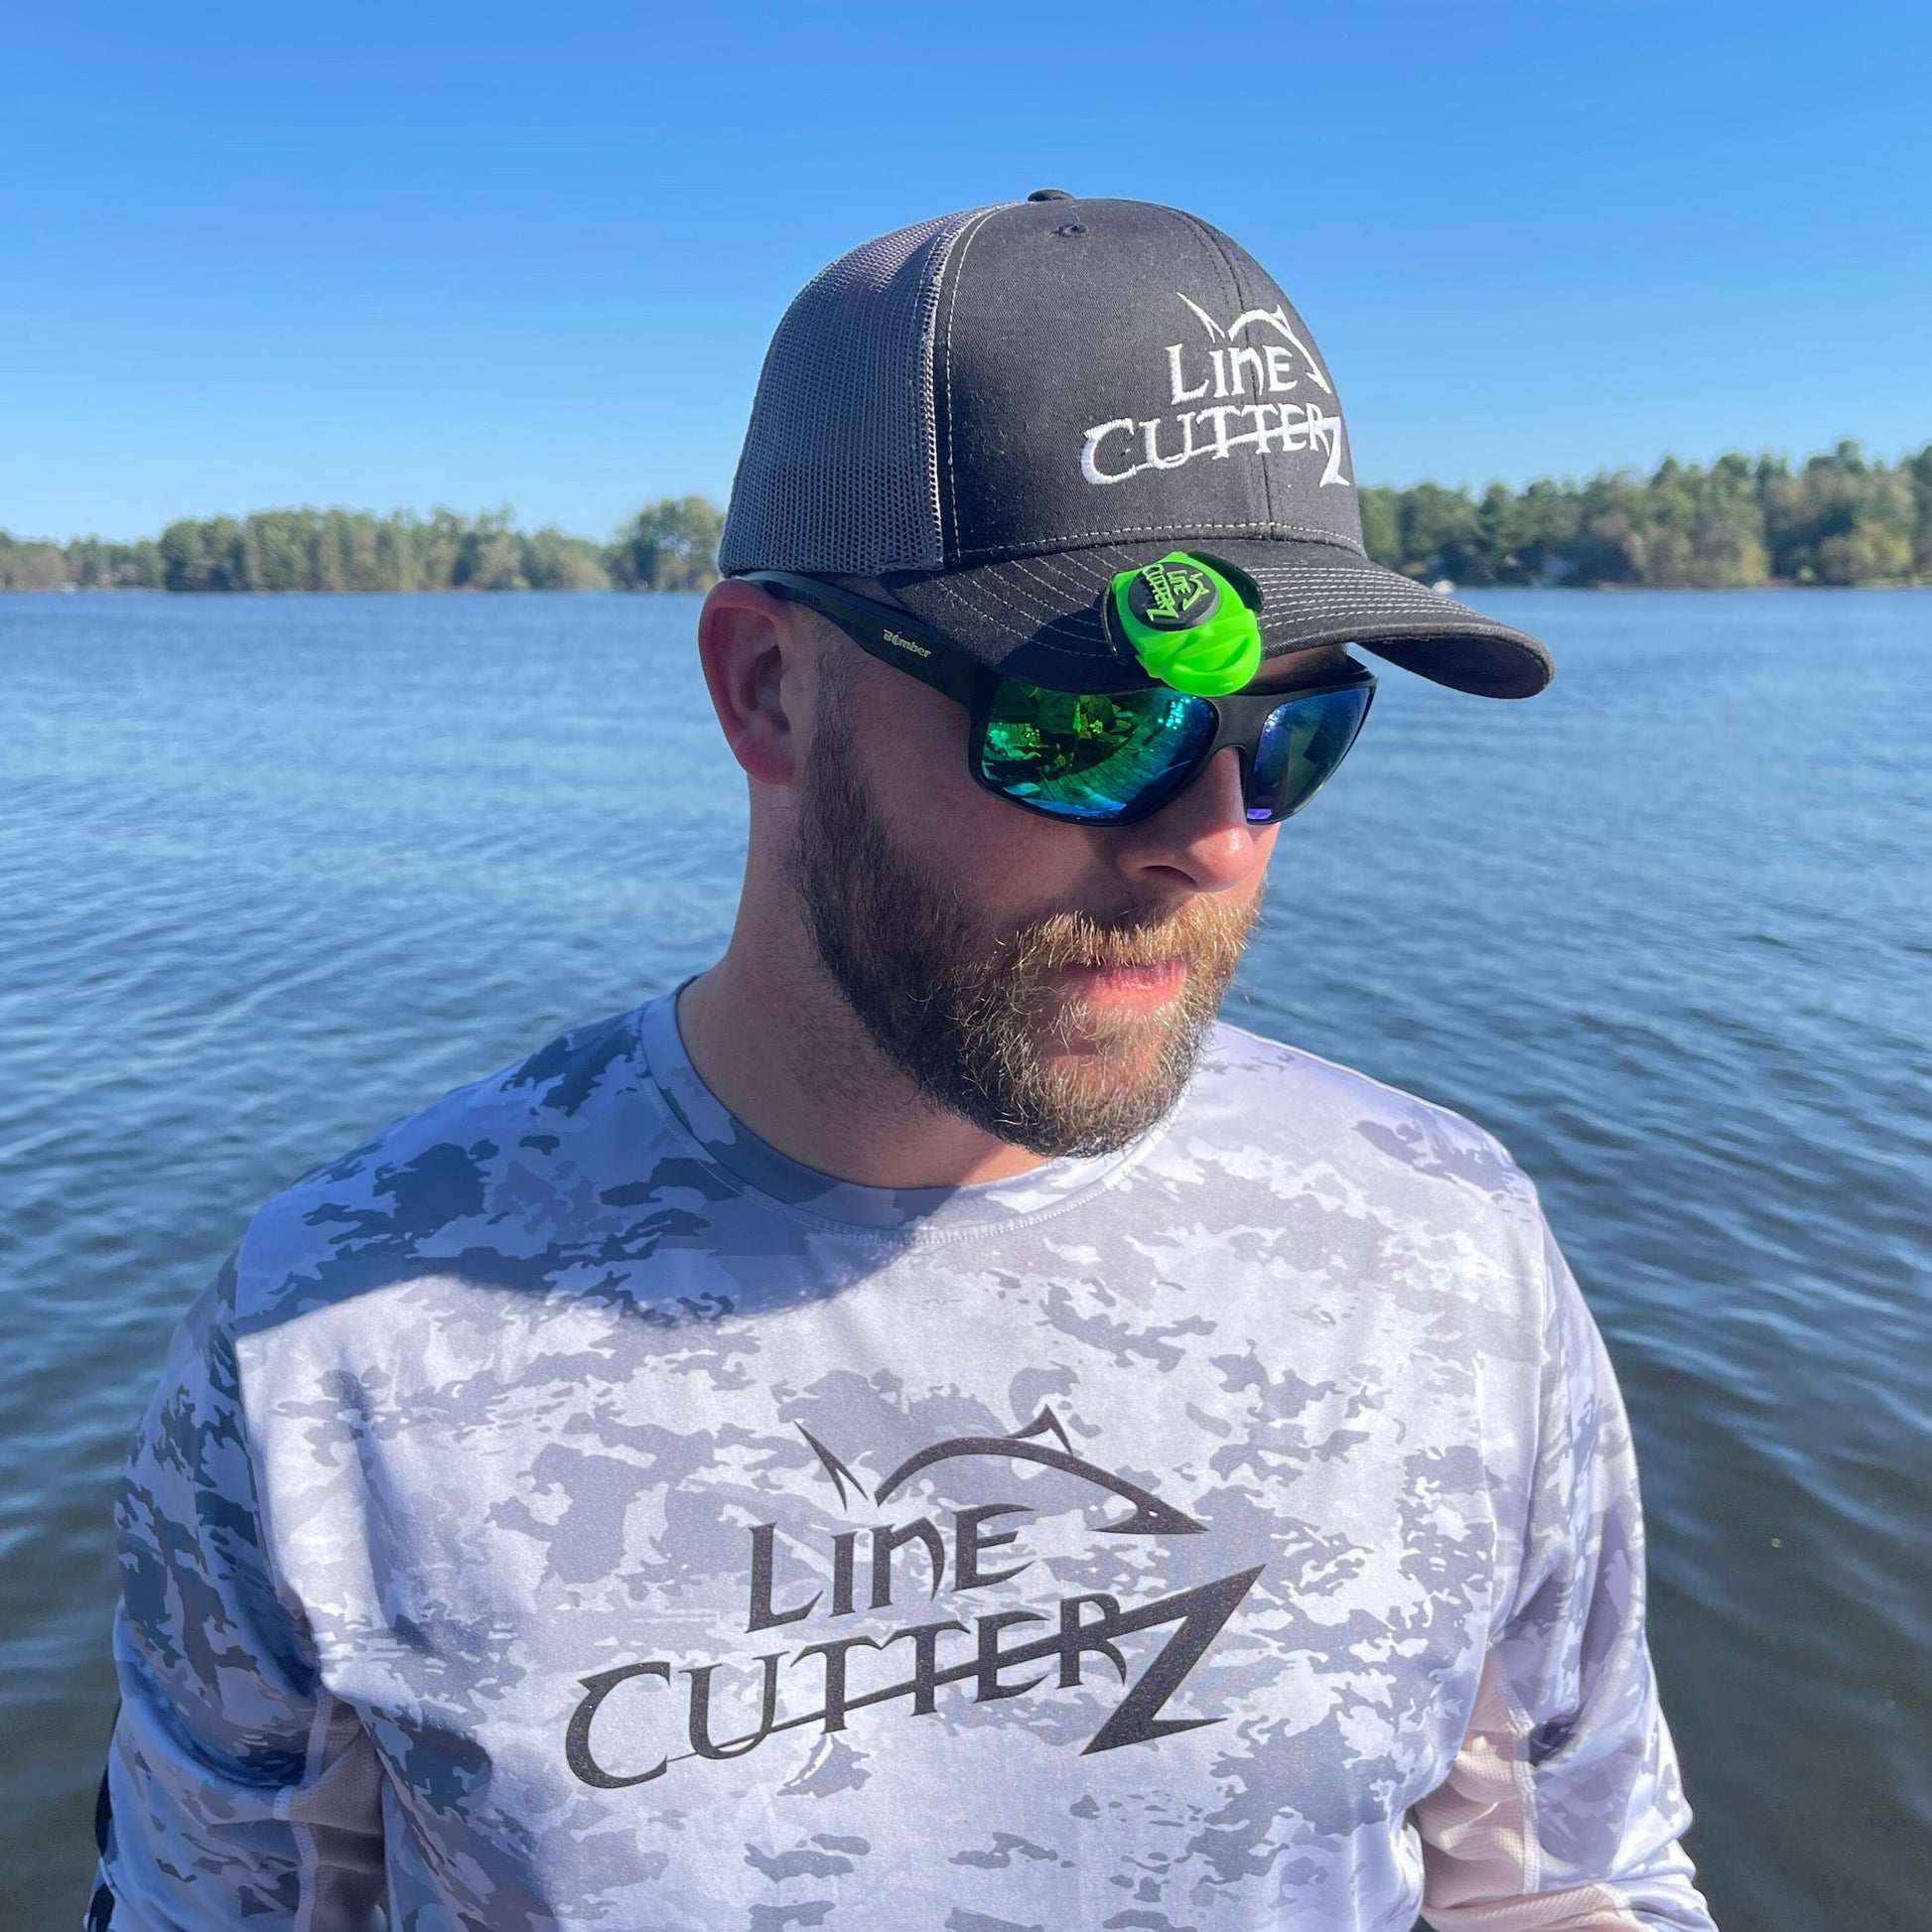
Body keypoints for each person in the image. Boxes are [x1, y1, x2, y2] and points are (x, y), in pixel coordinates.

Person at [88, 194, 1716, 1931]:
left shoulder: (1444, 1244)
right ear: (765, 688)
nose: (1215, 838)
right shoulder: (336, 1339)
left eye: (1294, 732)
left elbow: (1562, 1877)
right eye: (1094, 723)